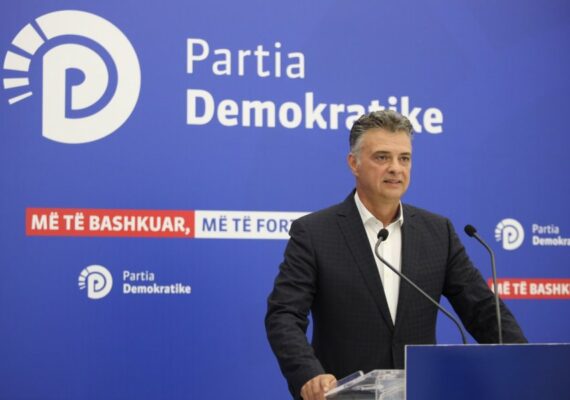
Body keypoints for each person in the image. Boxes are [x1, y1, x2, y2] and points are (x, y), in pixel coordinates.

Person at [265, 110, 527, 400]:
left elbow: (482, 309)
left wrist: (523, 360)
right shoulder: (315, 233)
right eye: (382, 157)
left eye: (404, 158)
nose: (395, 168)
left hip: (420, 393)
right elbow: (284, 315)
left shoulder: (438, 232)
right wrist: (309, 375)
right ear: (353, 163)